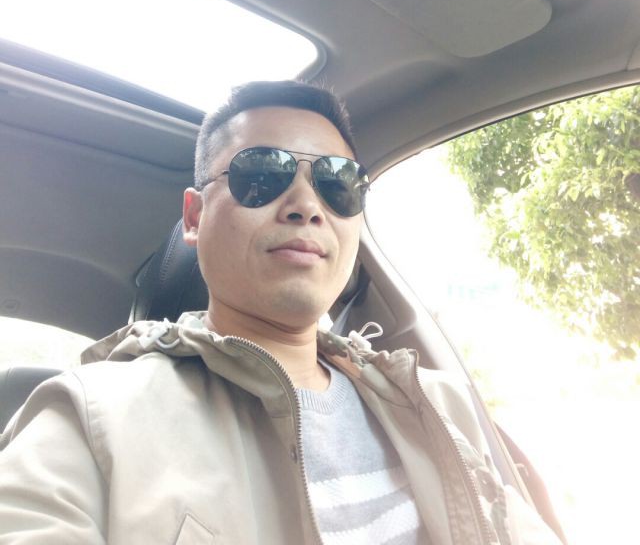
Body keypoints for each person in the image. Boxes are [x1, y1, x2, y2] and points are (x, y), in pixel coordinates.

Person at [0, 81, 562, 544]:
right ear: (194, 218)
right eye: (262, 175)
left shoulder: (439, 405)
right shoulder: (92, 416)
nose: (307, 205)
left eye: (337, 183)